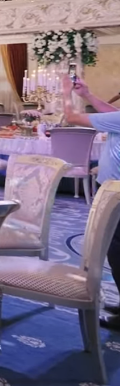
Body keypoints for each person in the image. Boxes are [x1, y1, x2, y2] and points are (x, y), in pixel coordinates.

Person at [61, 77, 120, 329]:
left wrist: (66, 92)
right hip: (114, 190)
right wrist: (87, 95)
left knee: (116, 250)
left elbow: (71, 118)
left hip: (117, 194)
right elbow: (112, 114)